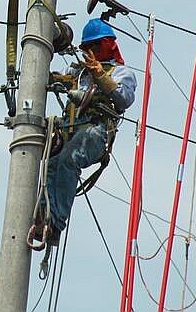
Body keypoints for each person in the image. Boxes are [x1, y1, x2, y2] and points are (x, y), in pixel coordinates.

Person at [38, 18, 137, 246]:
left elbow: (124, 100)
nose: (92, 51)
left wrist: (101, 75)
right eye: (88, 47)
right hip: (68, 131)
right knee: (50, 163)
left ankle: (55, 224)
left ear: (107, 45)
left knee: (68, 160)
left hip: (95, 131)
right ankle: (43, 218)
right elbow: (53, 77)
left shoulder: (121, 73)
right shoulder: (78, 72)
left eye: (96, 46)